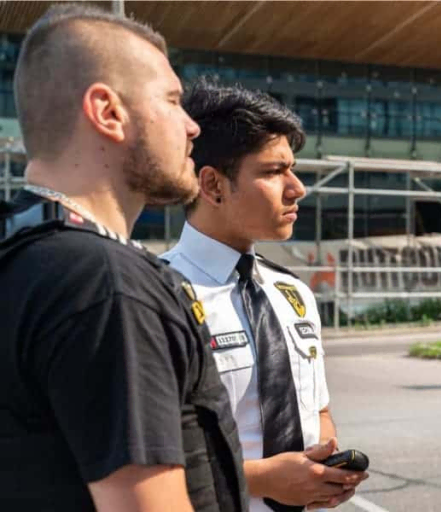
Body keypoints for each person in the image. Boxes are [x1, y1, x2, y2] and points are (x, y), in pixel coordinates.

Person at [0, 5, 247, 512]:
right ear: (108, 112)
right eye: (173, 100)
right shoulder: (106, 285)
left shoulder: (23, 257)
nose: (191, 126)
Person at [162, 80, 368, 512]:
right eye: (274, 172)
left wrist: (323, 471)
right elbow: (140, 456)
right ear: (213, 185)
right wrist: (266, 480)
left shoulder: (292, 292)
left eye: (292, 169)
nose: (297, 188)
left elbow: (318, 408)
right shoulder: (156, 295)